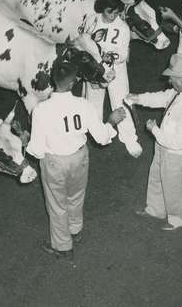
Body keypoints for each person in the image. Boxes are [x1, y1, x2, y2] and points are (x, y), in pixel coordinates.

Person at [26, 61, 126, 259]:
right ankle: (75, 229)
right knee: (76, 196)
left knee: (57, 205)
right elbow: (102, 138)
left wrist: (26, 142)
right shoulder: (84, 105)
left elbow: (36, 149)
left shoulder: (41, 110)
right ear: (73, 83)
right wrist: (111, 121)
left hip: (55, 161)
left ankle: (62, 247)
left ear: (53, 80)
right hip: (79, 157)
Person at [126, 53, 182, 232]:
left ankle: (180, 219)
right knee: (157, 177)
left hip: (177, 154)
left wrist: (154, 130)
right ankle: (155, 209)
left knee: (175, 187)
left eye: (172, 78)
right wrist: (138, 98)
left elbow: (178, 142)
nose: (169, 81)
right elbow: (163, 98)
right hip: (164, 146)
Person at [84, 0, 143, 158]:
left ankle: (129, 138)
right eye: (110, 12)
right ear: (102, 9)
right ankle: (96, 133)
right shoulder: (92, 20)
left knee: (121, 101)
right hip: (94, 68)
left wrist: (109, 56)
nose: (113, 16)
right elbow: (84, 41)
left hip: (116, 70)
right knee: (93, 102)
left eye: (116, 12)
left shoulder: (123, 27)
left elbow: (123, 54)